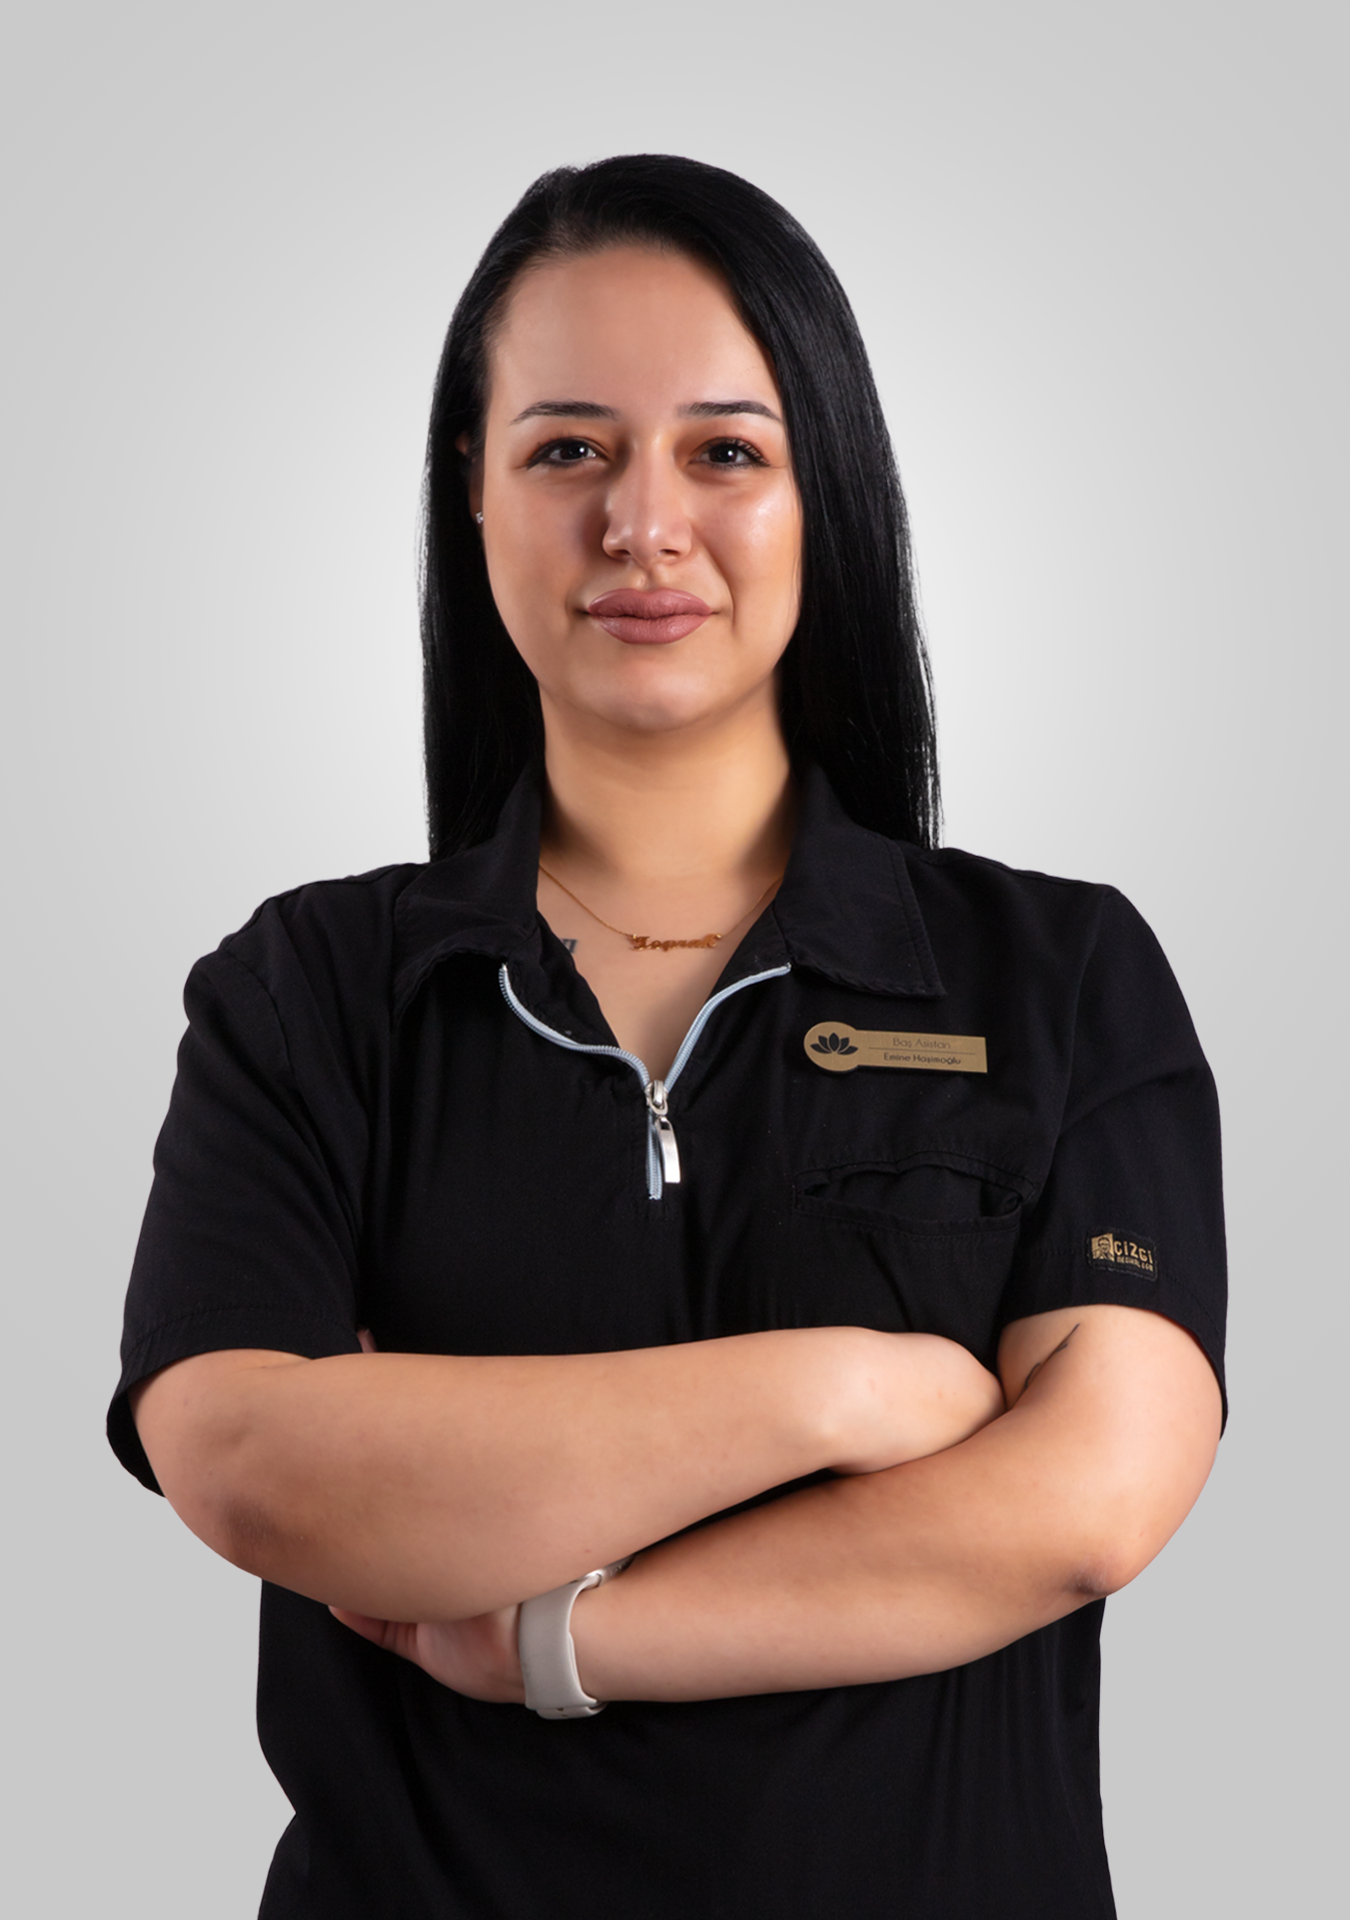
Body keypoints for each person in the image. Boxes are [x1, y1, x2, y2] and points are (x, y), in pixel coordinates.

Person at [108, 154, 1226, 1918]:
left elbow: (1086, 1500)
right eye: (568, 448)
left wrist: (547, 1639)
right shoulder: (304, 990)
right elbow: (251, 1466)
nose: (642, 522)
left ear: (823, 491)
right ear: (470, 495)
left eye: (724, 452)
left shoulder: (1056, 971)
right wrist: (850, 1388)